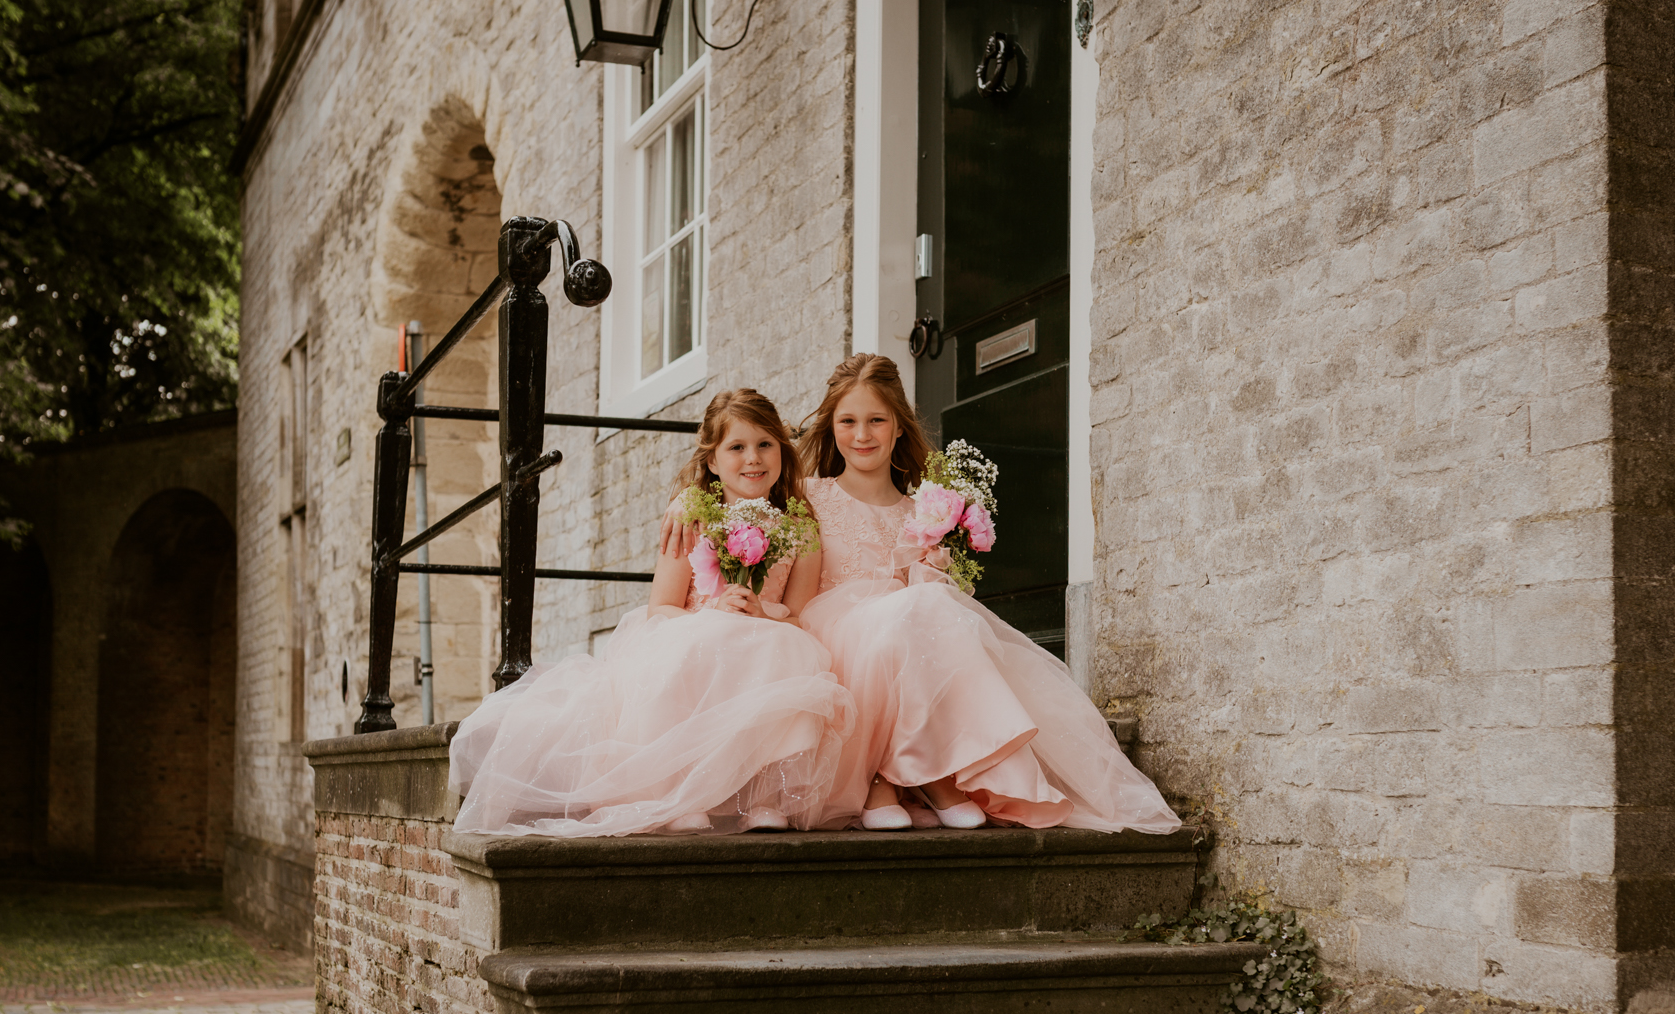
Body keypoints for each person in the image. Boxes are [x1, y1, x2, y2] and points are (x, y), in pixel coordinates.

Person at [665, 353, 1179, 833]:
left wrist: (936, 567)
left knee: (935, 609)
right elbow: (743, 485)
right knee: (896, 624)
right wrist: (686, 497)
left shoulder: (926, 512)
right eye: (848, 421)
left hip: (900, 643)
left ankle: (930, 772)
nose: (862, 435)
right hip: (831, 637)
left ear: (898, 426)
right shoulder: (806, 496)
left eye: (877, 420)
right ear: (831, 427)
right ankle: (892, 778)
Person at [448, 388, 855, 836]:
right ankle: (680, 793)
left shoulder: (799, 526)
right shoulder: (693, 517)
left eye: (765, 444)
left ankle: (763, 797)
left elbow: (798, 616)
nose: (753, 458)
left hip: (766, 631)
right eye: (736, 447)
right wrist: (713, 614)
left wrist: (763, 615)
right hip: (694, 629)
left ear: (781, 449)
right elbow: (661, 607)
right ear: (713, 460)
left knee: (789, 648)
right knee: (699, 647)